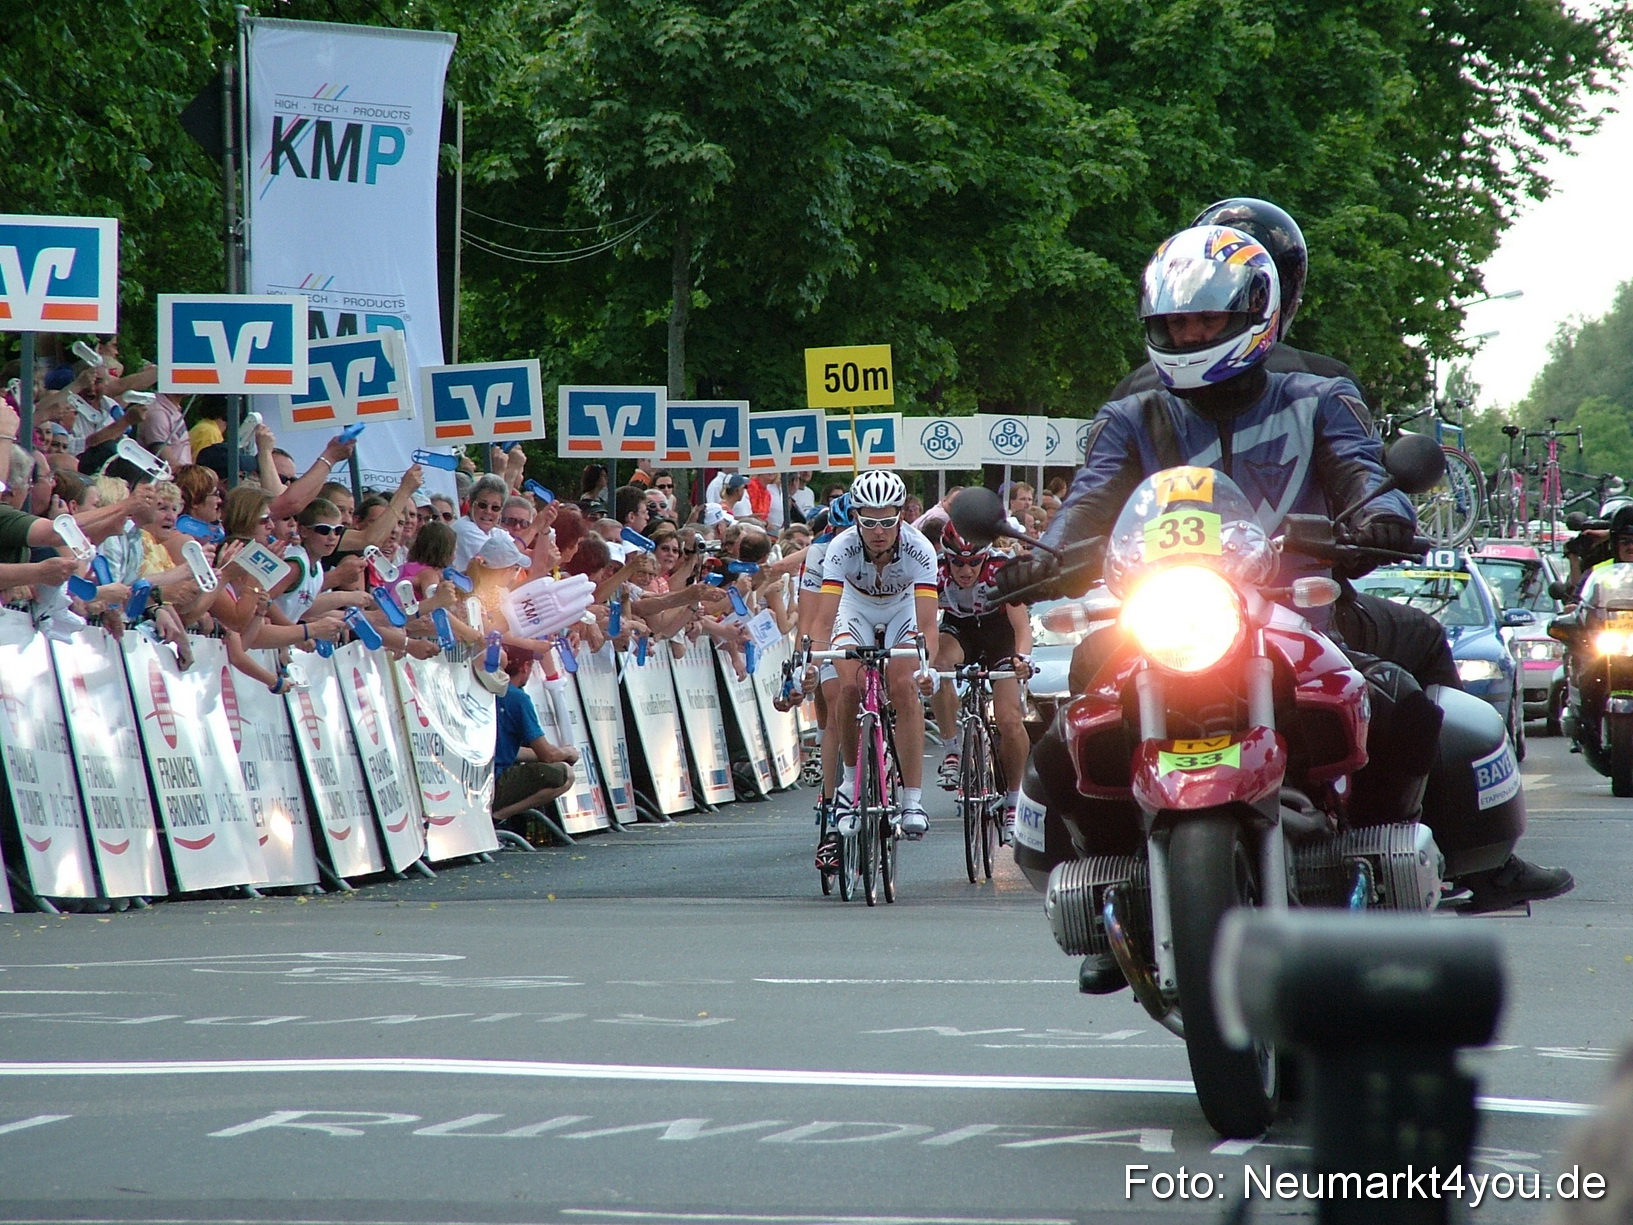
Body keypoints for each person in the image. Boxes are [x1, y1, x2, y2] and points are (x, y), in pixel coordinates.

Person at [999, 222, 1565, 991]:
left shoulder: (1318, 398)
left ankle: (1409, 841)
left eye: (1204, 321)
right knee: (1083, 701)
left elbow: (1363, 474)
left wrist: (1378, 514)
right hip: (1168, 613)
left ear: (1253, 317)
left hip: (1301, 603)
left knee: (1405, 681)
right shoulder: (1133, 416)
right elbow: (1088, 503)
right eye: (1175, 324)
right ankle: (1119, 891)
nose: (1189, 334)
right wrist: (1034, 558)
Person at [806, 470, 939, 841]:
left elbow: (928, 626)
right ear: (856, 517)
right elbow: (824, 619)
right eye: (868, 521)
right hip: (856, 607)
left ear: (901, 516)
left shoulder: (920, 549)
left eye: (887, 521)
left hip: (902, 609)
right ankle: (850, 784)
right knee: (848, 688)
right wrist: (812, 663)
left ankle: (912, 799)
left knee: (903, 685)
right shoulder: (841, 547)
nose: (878, 530)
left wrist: (925, 665)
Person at [931, 522, 1034, 839]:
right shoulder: (934, 573)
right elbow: (920, 622)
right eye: (957, 562)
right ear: (946, 557)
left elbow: (1021, 628)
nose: (965, 570)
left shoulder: (1000, 570)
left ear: (985, 558)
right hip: (960, 632)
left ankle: (1015, 801)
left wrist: (1022, 659)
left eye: (974, 562)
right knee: (938, 665)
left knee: (1009, 719)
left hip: (999, 635)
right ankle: (951, 751)